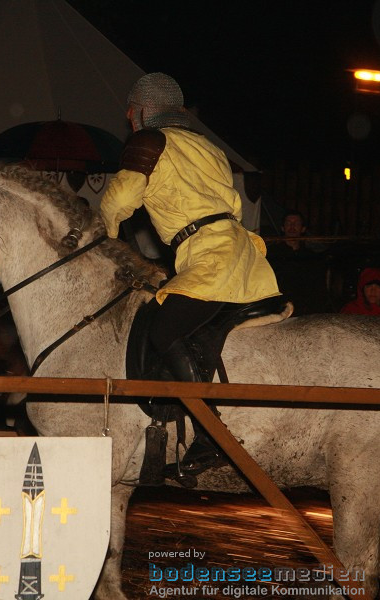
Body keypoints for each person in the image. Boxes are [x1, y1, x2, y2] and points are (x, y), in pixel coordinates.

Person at [99, 72, 280, 473]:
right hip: (240, 252)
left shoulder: (147, 141)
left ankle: (209, 431)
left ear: (144, 110)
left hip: (210, 255)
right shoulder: (209, 148)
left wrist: (106, 240)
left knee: (163, 329)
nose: (130, 120)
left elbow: (119, 200)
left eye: (132, 112)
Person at [267, 210, 328, 316]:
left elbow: (318, 290)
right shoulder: (272, 255)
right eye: (288, 223)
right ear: (283, 228)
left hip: (304, 312)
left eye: (296, 223)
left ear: (303, 228)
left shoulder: (311, 257)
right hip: (277, 310)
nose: (292, 226)